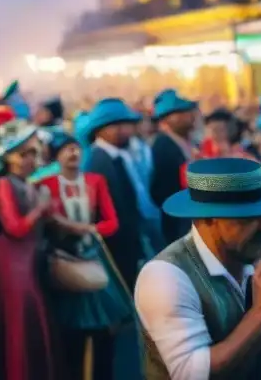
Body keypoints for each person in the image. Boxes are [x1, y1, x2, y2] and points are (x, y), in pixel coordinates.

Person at [136, 158, 261, 378]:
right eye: (249, 217)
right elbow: (190, 373)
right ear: (207, 218)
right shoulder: (165, 277)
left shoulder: (257, 254)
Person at [40, 132, 133, 380]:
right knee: (69, 333)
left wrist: (84, 229)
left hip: (93, 257)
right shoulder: (45, 185)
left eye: (76, 148)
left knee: (104, 330)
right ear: (55, 156)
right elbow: (45, 224)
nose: (73, 153)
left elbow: (112, 222)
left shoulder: (95, 181)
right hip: (65, 261)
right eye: (66, 149)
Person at [0, 118, 59, 380]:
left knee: (31, 318)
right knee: (19, 320)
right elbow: (14, 228)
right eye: (23, 154)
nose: (30, 159)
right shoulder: (4, 184)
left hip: (29, 258)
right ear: (8, 158)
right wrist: (40, 208)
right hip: (11, 261)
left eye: (32, 153)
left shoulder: (29, 184)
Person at [82, 98, 147, 290]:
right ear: (104, 128)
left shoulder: (117, 155)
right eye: (122, 125)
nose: (128, 131)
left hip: (127, 238)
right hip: (116, 242)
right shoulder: (99, 161)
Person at [150, 89, 198, 246]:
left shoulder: (187, 142)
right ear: (168, 119)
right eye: (182, 113)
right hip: (178, 221)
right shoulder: (163, 146)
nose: (189, 116)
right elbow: (163, 190)